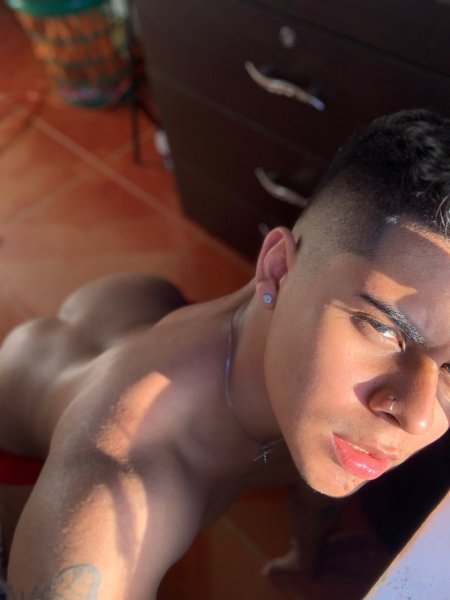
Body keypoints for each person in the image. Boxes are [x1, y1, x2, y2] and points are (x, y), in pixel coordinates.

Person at [1, 108, 449, 599]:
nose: (418, 419)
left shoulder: (310, 362)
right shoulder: (114, 490)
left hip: (133, 306)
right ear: (277, 270)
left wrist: (304, 561)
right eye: (383, 327)